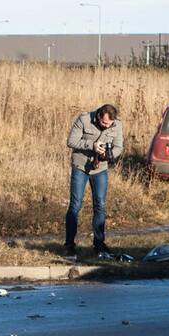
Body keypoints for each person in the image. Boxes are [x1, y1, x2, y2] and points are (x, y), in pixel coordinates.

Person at [64, 104, 123, 256]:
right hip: (81, 167)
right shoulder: (84, 119)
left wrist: (110, 155)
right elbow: (71, 141)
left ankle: (99, 244)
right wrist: (92, 145)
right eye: (104, 123)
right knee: (75, 205)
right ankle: (69, 244)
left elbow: (119, 147)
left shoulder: (117, 125)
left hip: (100, 169)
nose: (106, 126)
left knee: (100, 205)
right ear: (98, 117)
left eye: (109, 124)